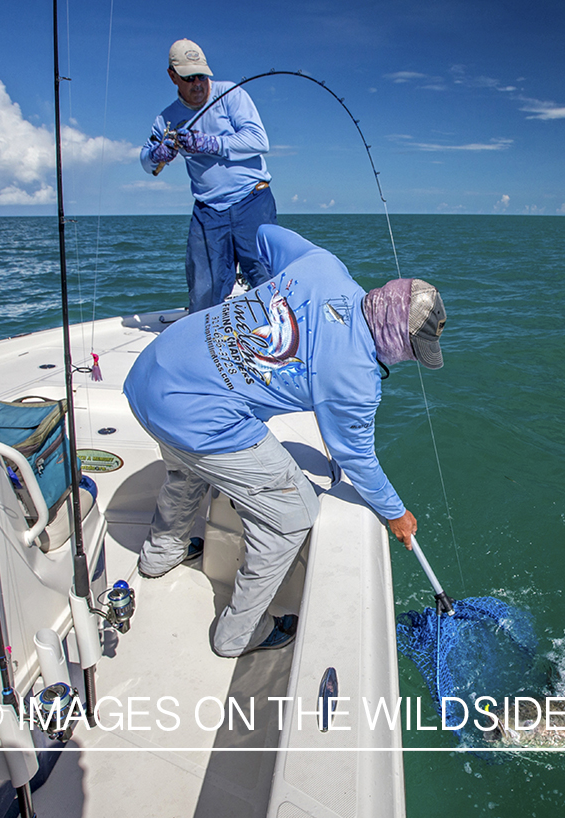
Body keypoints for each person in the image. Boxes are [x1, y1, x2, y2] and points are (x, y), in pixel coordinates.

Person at [123, 225, 446, 657]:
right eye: (412, 348)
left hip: (154, 371)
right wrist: (396, 514)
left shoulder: (324, 267)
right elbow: (358, 459)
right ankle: (238, 634)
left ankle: (161, 553)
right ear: (397, 340)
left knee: (188, 465)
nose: (409, 357)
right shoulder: (356, 379)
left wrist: (269, 295)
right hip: (194, 413)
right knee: (293, 513)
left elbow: (265, 235)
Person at [141, 38, 278, 313]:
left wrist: (213, 144)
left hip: (252, 199)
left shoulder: (231, 94)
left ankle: (280, 342)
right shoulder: (166, 118)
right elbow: (146, 162)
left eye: (202, 76)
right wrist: (159, 155)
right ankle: (206, 345)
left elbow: (259, 140)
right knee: (203, 290)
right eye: (189, 78)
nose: (198, 84)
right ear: (173, 77)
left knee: (265, 279)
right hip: (208, 211)